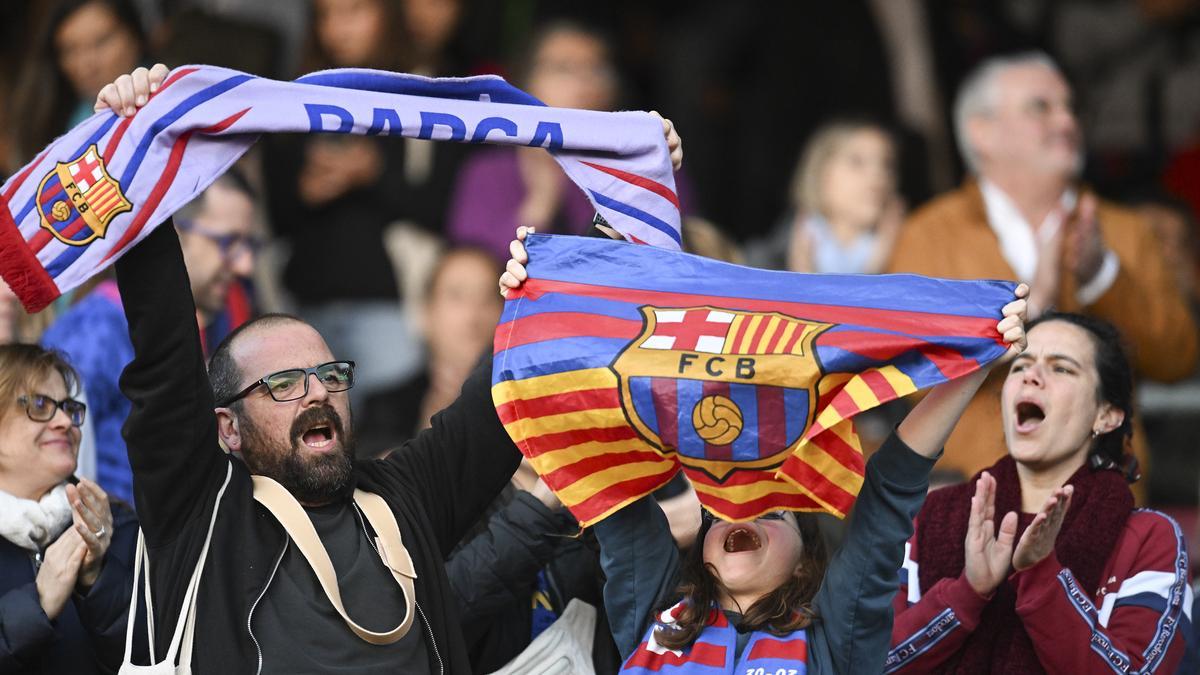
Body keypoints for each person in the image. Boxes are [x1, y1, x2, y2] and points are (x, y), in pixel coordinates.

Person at [98, 65, 683, 673]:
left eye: (330, 376)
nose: (316, 394)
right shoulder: (202, 513)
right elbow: (164, 363)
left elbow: (513, 378)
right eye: (284, 384)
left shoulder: (403, 498)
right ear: (227, 428)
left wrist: (624, 206)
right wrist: (132, 154)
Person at [499, 226, 1030, 674]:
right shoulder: (655, 613)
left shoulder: (834, 642)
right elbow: (610, 467)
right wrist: (575, 283)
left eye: (772, 510)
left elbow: (888, 496)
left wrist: (975, 356)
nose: (742, 510)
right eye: (722, 509)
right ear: (701, 560)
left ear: (805, 568)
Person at [885, 51, 1198, 482]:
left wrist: (1101, 276)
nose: (1067, 122)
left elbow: (1177, 358)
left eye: (1070, 107)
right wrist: (1029, 312)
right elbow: (910, 374)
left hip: (1104, 496)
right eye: (1041, 107)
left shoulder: (1125, 230)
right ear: (982, 133)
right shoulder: (928, 234)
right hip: (972, 500)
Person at [888, 313, 1191, 673]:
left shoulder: (1150, 538)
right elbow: (865, 662)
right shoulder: (930, 517)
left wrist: (1043, 576)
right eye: (1020, 365)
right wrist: (967, 592)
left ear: (1107, 416)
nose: (1031, 375)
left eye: (1061, 368)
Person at [263, 0, 472, 408]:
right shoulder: (293, 96)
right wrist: (305, 192)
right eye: (325, 16)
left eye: (354, 11)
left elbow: (445, 211)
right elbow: (273, 220)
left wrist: (374, 175)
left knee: (385, 450)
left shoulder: (421, 93)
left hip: (395, 310)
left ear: (388, 13)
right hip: (306, 306)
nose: (338, 28)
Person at [41, 173, 259, 506]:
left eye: (250, 245)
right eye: (228, 242)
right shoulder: (96, 329)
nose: (245, 265)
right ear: (174, 232)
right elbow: (46, 459)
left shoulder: (204, 325)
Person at [0, 344, 138, 674]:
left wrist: (97, 579)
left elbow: (151, 654)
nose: (65, 422)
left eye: (69, 407)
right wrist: (38, 604)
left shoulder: (115, 524)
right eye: (39, 404)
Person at [358, 246, 503, 456]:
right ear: (426, 313)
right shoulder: (384, 407)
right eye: (457, 296)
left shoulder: (529, 403)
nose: (474, 312)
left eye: (488, 297)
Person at [745, 120, 904, 275]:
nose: (878, 176)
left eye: (886, 164)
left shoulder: (905, 243)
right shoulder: (770, 256)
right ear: (820, 173)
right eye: (857, 162)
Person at [9, 0, 144, 164]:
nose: (86, 65)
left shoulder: (168, 93)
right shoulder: (53, 121)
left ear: (134, 35)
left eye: (102, 42)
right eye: (70, 50)